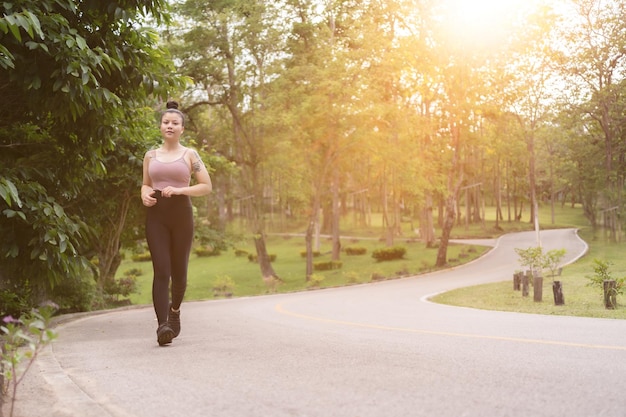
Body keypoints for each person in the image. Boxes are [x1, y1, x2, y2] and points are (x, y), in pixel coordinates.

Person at [141, 100, 212, 346]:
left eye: (175, 123)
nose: (169, 126)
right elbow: (146, 183)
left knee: (179, 274)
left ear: (182, 128)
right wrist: (144, 192)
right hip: (157, 216)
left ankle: (175, 311)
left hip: (181, 215)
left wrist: (181, 191)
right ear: (160, 126)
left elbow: (206, 186)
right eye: (166, 122)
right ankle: (162, 326)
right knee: (162, 270)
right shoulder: (150, 156)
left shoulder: (190, 154)